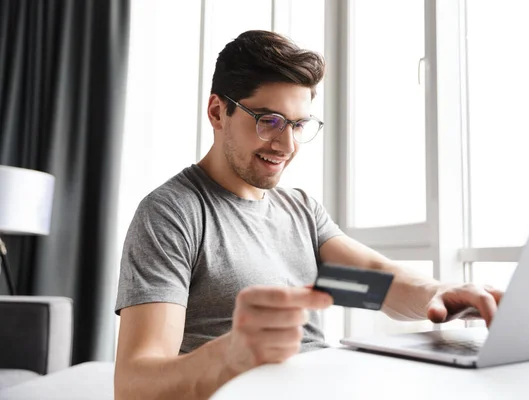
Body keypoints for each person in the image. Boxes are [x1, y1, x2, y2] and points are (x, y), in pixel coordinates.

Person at [114, 30, 503, 400]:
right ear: (218, 112)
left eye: (299, 125)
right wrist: (231, 355)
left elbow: (376, 283)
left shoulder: (299, 210)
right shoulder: (172, 214)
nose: (287, 144)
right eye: (269, 121)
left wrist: (439, 293)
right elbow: (134, 386)